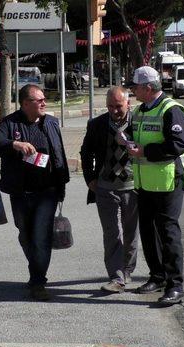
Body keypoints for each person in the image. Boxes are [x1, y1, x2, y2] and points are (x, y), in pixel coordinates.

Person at [0, 84, 70, 301]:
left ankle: (38, 281)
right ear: (25, 103)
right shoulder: (10, 123)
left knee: (41, 237)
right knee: (25, 235)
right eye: (39, 100)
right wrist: (15, 144)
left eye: (44, 99)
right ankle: (36, 271)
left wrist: (61, 185)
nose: (44, 103)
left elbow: (58, 153)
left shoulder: (51, 122)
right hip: (21, 192)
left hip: (47, 191)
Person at [125, 66, 184, 305]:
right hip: (145, 182)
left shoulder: (171, 110)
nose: (132, 91)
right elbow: (135, 135)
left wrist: (144, 151)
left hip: (169, 181)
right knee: (148, 232)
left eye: (135, 87)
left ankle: (176, 285)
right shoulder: (141, 110)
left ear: (148, 88)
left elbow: (177, 145)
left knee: (168, 233)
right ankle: (157, 276)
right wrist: (128, 143)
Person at [80, 86, 139, 294]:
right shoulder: (97, 124)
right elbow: (85, 152)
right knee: (111, 233)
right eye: (110, 106)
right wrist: (90, 179)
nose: (114, 110)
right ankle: (116, 276)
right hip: (105, 187)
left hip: (133, 187)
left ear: (128, 104)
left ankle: (128, 269)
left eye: (118, 106)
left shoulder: (138, 122)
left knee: (131, 232)